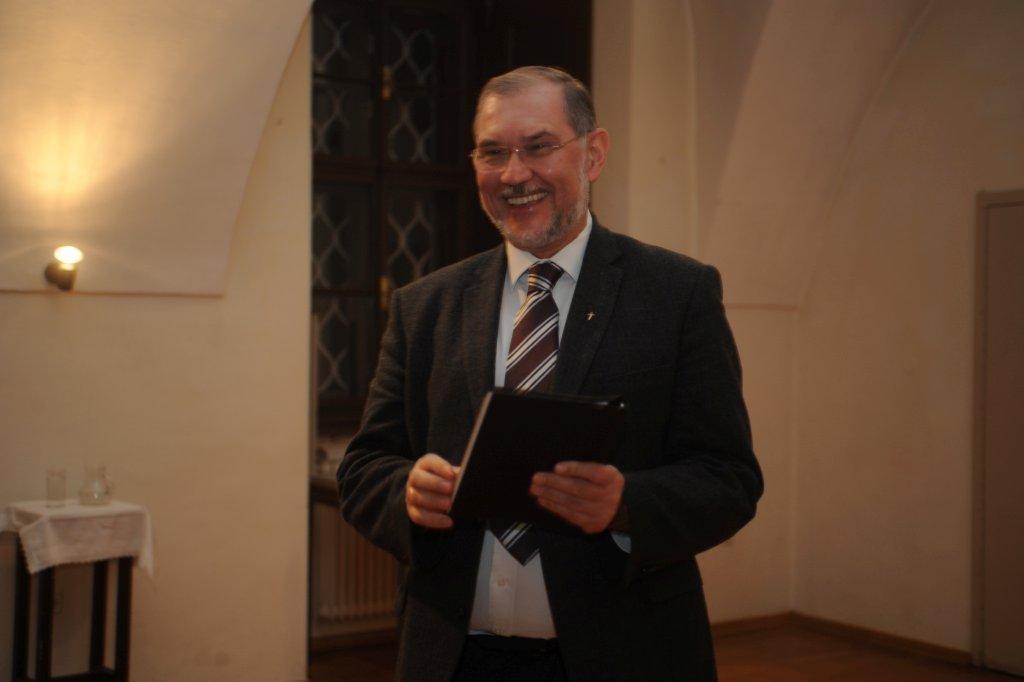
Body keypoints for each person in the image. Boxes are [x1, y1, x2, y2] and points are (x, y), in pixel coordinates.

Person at [338, 66, 763, 682]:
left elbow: (730, 479)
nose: (514, 174)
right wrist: (405, 490)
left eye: (538, 147)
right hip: (454, 657)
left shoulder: (678, 294)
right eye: (492, 153)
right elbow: (363, 468)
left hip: (627, 653)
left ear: (593, 154)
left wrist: (627, 504)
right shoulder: (424, 305)